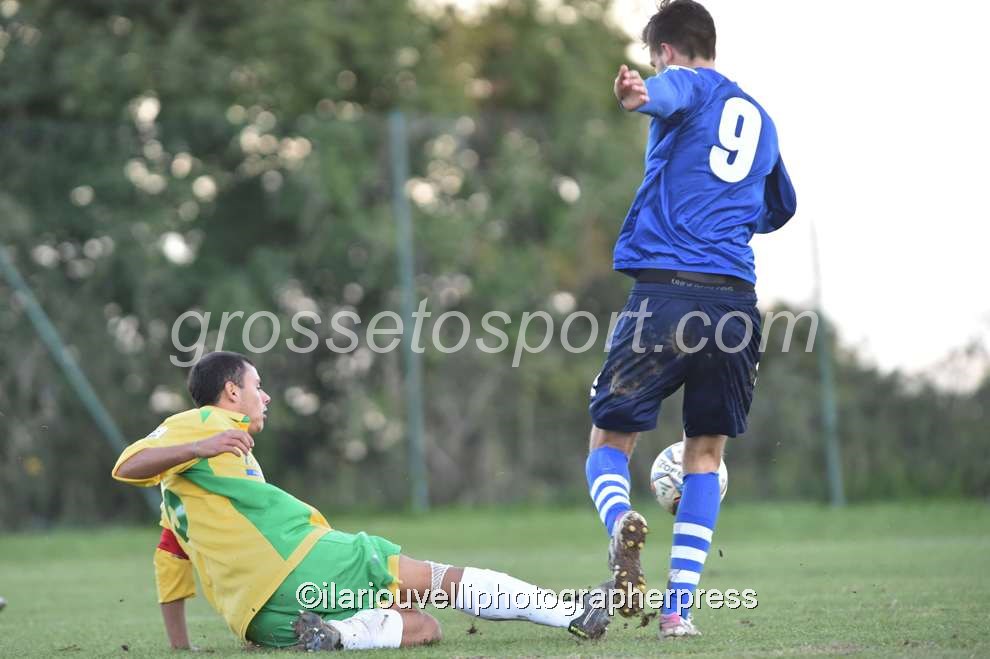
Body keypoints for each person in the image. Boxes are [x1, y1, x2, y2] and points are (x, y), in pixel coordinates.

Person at [113, 351, 609, 651]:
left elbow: (170, 557)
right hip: (299, 561)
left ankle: (339, 637)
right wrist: (199, 445)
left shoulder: (181, 492)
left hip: (259, 620)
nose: (265, 397)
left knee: (424, 627)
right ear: (230, 391)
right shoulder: (204, 424)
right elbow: (127, 463)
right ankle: (570, 613)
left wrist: (181, 647)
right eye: (257, 387)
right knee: (438, 581)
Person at [584, 0, 796, 639]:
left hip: (666, 295)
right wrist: (728, 215)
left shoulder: (682, 82)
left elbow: (671, 92)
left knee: (609, 439)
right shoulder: (759, 117)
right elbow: (780, 206)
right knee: (705, 452)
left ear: (667, 50)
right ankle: (678, 612)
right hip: (734, 301)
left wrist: (639, 97)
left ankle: (621, 524)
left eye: (655, 60)